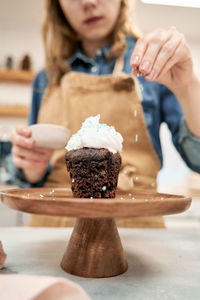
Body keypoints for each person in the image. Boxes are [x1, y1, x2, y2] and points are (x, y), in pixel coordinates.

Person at [8, 0, 200, 228]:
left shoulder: (155, 68)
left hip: (137, 228)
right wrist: (31, 169)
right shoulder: (45, 79)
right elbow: (29, 178)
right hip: (53, 231)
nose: (88, 2)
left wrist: (188, 86)